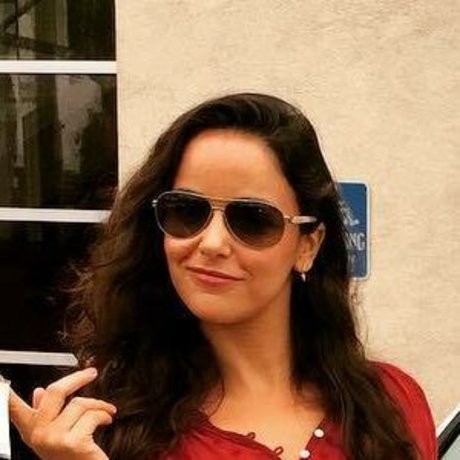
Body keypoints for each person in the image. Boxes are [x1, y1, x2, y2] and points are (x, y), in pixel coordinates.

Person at [8, 93, 437, 460]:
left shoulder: (390, 403)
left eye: (252, 219)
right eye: (186, 211)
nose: (211, 243)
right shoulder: (110, 425)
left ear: (308, 245)